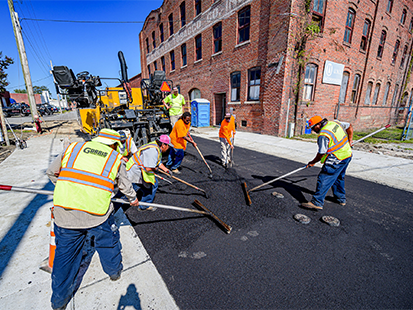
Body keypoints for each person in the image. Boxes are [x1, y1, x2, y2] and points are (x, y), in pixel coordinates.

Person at [46, 128, 139, 310]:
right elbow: (125, 186)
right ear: (113, 144)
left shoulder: (73, 148)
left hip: (65, 214)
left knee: (64, 258)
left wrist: (72, 187)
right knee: (107, 244)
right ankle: (114, 272)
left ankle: (58, 302)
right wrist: (133, 199)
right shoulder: (114, 158)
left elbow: (51, 172)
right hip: (97, 215)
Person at [301, 116, 353, 210]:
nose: (313, 130)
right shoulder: (335, 123)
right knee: (338, 177)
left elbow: (321, 153)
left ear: (319, 124)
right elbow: (349, 126)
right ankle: (341, 199)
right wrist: (350, 140)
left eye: (313, 127)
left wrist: (312, 162)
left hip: (336, 159)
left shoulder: (323, 135)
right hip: (347, 155)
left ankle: (317, 202)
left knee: (324, 178)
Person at [125, 135, 173, 210]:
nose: (168, 148)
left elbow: (158, 162)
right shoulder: (153, 151)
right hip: (135, 171)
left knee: (136, 187)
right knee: (151, 184)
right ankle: (143, 206)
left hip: (136, 169)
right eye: (168, 146)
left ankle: (139, 203)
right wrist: (156, 169)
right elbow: (148, 168)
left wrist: (166, 170)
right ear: (163, 145)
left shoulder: (155, 146)